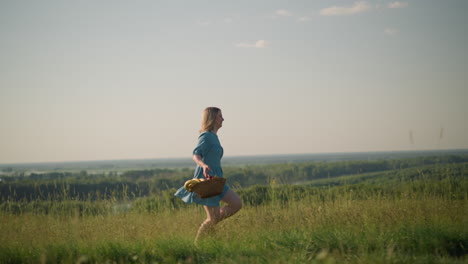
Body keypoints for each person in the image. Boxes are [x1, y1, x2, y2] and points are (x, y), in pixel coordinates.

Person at [174, 107, 242, 244]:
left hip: (217, 181)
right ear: (212, 119)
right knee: (212, 218)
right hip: (207, 182)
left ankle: (211, 228)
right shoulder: (206, 136)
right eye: (220, 116)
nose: (223, 119)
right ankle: (197, 245)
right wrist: (203, 165)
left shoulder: (214, 137)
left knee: (236, 204)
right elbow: (196, 155)